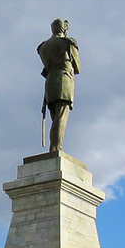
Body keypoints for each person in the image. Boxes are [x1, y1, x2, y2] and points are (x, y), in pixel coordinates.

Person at [37, 18, 80, 153]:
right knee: (61, 117)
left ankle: (55, 146)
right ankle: (56, 147)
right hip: (64, 80)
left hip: (50, 82)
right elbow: (77, 66)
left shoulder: (43, 47)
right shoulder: (68, 43)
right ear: (65, 28)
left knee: (55, 118)